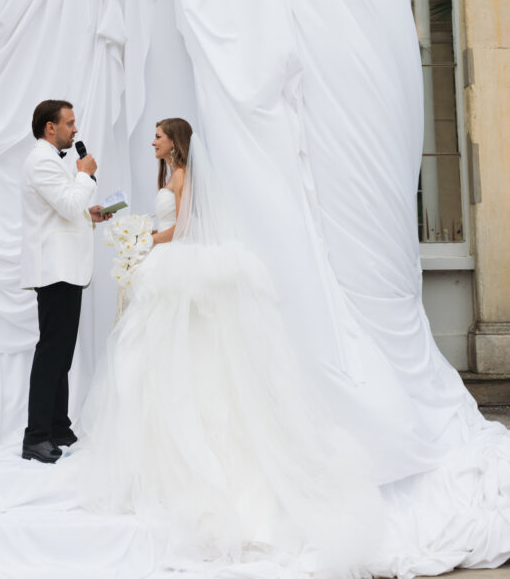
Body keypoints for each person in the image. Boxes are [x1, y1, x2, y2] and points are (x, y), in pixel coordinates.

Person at [77, 117, 386, 571]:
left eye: (158, 136)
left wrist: (144, 240)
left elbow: (183, 227)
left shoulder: (182, 175)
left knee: (173, 354)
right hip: (165, 262)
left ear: (174, 143)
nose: (152, 142)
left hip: (172, 262)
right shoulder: (172, 175)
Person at [20, 99, 110, 465]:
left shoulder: (50, 161)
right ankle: (36, 437)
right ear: (50, 128)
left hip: (66, 269)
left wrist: (89, 214)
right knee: (51, 354)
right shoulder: (41, 161)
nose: (75, 130)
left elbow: (66, 209)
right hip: (55, 270)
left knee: (61, 355)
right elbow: (69, 204)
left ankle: (59, 428)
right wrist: (85, 174)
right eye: (69, 123)